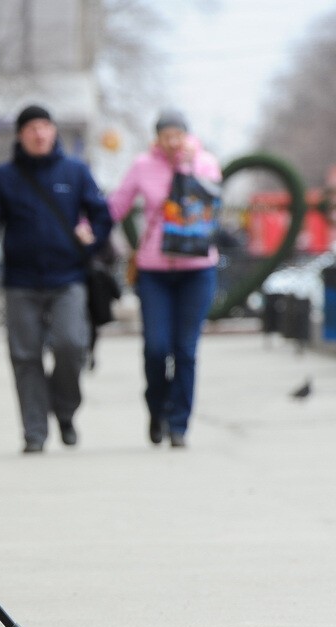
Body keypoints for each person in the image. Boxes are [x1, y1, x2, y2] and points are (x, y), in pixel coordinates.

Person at [0, 104, 113, 454]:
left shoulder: (75, 171)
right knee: (25, 357)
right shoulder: (4, 177)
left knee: (71, 345)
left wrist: (91, 235)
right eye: (31, 128)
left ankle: (64, 410)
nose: (39, 133)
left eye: (45, 126)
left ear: (53, 132)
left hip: (69, 277)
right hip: (21, 281)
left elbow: (103, 215)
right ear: (21, 135)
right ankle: (35, 432)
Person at [107, 109, 222, 448]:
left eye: (178, 135)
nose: (173, 141)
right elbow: (117, 205)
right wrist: (87, 228)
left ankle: (179, 424)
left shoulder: (205, 162)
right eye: (166, 135)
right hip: (155, 271)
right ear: (156, 139)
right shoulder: (143, 166)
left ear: (187, 136)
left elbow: (211, 197)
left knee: (185, 350)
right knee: (157, 348)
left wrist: (186, 166)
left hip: (197, 270)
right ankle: (157, 408)